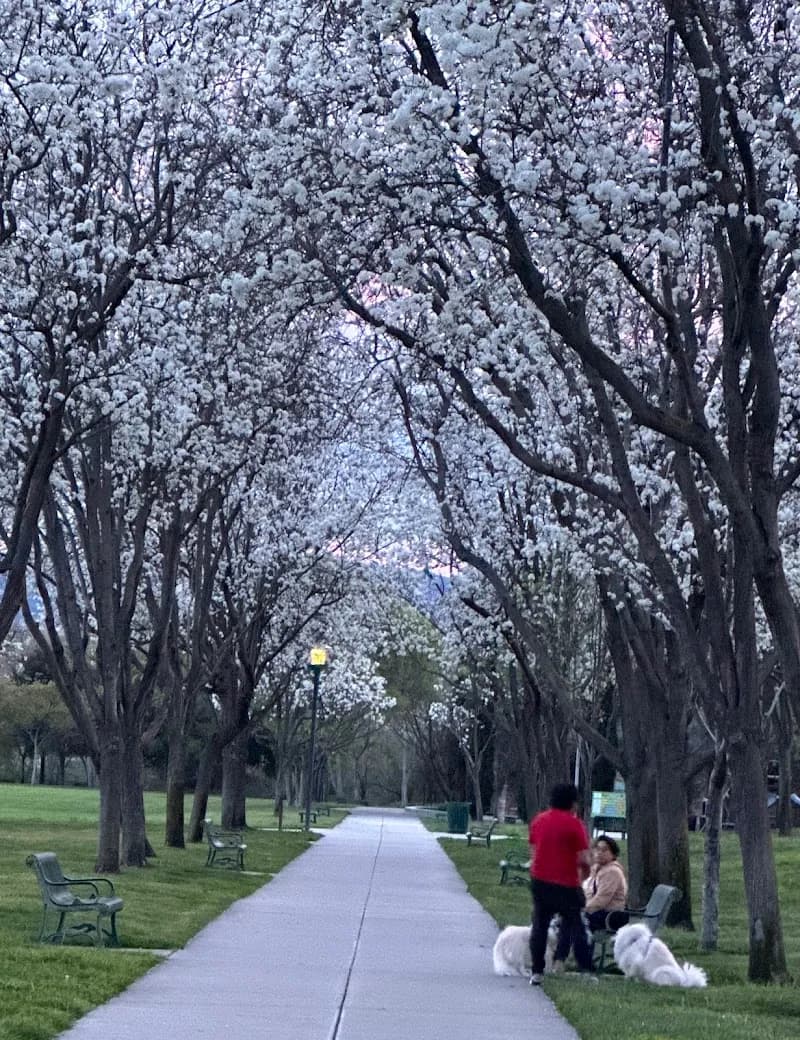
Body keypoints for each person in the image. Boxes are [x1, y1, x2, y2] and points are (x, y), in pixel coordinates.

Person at [528, 782, 594, 984]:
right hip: (565, 882)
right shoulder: (575, 824)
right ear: (573, 803)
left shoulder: (539, 820)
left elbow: (533, 851)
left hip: (540, 881)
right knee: (575, 923)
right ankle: (582, 967)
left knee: (540, 924)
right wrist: (585, 875)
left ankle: (537, 970)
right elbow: (583, 858)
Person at [582, 834, 628, 933]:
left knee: (575, 920)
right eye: (597, 849)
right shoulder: (597, 869)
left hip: (611, 916)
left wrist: (582, 910)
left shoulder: (612, 872)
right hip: (599, 913)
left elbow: (601, 900)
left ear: (613, 854)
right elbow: (587, 893)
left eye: (604, 850)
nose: (599, 853)